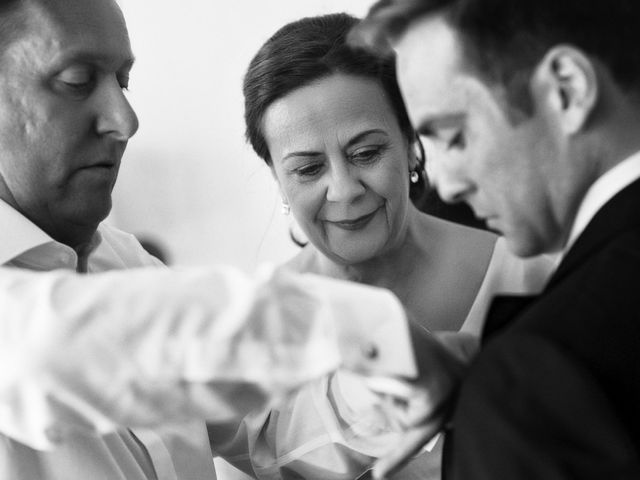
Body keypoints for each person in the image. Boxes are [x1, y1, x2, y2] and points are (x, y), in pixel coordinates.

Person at [0, 0, 460, 479]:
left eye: (123, 81)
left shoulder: (122, 261)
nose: (125, 119)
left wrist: (389, 395)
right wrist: (350, 327)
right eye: (76, 81)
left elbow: (267, 430)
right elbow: (43, 347)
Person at [235, 13, 554, 479]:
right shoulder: (255, 334)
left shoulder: (529, 280)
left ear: (409, 143)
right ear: (278, 181)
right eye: (307, 169)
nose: (344, 190)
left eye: (366, 153)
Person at [351, 0, 640, 478]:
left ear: (567, 89)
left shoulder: (542, 376)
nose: (443, 184)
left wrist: (499, 393)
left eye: (453, 135)